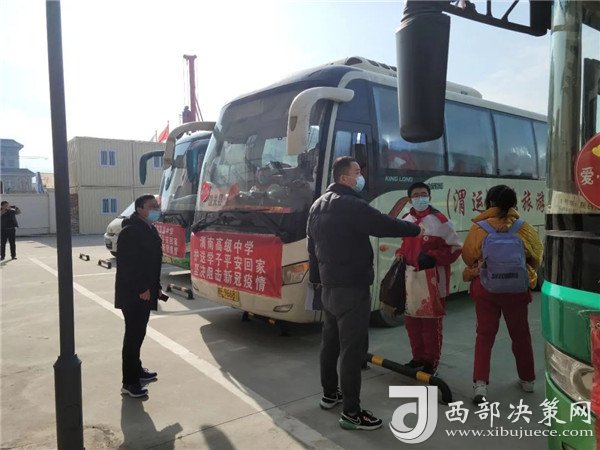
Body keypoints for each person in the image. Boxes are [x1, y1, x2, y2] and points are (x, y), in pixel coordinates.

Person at [307, 156, 422, 431]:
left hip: (329, 287)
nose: (361, 176)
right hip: (352, 287)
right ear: (344, 178)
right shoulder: (351, 205)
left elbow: (312, 247)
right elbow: (383, 224)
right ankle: (352, 412)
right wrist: (416, 228)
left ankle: (329, 394)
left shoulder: (317, 205)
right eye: (357, 171)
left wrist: (317, 279)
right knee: (352, 350)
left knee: (330, 344)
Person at [462, 185, 543, 404]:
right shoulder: (524, 228)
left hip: (486, 288)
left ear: (490, 203)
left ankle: (480, 385)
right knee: (521, 334)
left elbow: (468, 257)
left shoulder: (479, 228)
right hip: (516, 290)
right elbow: (536, 257)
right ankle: (527, 380)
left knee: (484, 335)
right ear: (514, 204)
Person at [395, 182, 462, 376]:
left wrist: (433, 257)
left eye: (423, 194)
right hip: (411, 279)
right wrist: (401, 253)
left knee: (431, 325)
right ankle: (417, 358)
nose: (420, 198)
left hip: (433, 280)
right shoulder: (406, 220)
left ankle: (431, 362)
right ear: (410, 199)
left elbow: (455, 248)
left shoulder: (440, 221)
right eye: (416, 195)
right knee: (412, 322)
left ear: (429, 197)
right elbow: (404, 245)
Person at [115, 195, 163, 398]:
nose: (156, 210)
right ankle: (129, 382)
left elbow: (152, 263)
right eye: (152, 206)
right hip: (134, 293)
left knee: (139, 333)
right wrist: (142, 288)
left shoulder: (148, 228)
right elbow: (128, 265)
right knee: (133, 337)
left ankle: (137, 370)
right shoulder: (131, 231)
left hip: (146, 291)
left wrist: (156, 286)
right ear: (140, 209)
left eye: (157, 206)